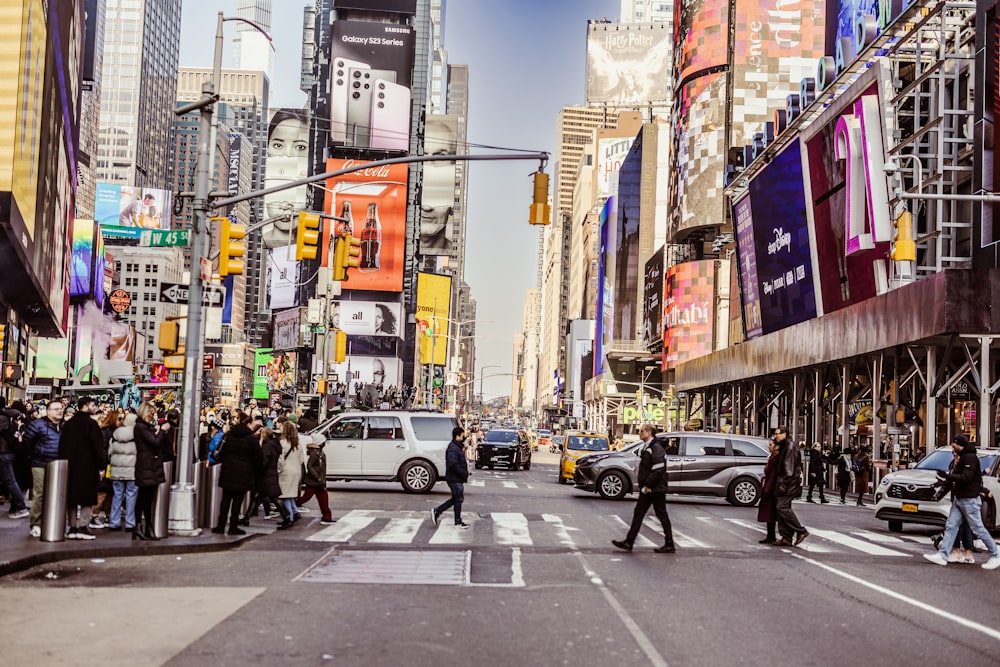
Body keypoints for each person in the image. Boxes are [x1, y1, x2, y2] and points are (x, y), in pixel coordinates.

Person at [924, 435, 1000, 569]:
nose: (953, 449)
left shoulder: (969, 458)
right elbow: (953, 480)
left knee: (977, 528)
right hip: (960, 498)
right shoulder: (963, 458)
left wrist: (947, 476)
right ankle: (943, 555)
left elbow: (967, 477)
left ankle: (996, 554)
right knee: (951, 526)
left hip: (969, 499)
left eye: (954, 446)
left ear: (960, 445)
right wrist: (938, 493)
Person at [612, 424, 675, 553]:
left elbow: (658, 468)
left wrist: (648, 485)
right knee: (640, 513)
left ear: (649, 433)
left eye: (641, 431)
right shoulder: (650, 446)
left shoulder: (656, 447)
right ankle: (629, 542)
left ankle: (669, 544)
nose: (639, 433)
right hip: (649, 487)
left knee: (660, 514)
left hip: (654, 488)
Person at [58, 397, 107, 540]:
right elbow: (98, 448)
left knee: (71, 498)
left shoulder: (68, 424)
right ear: (86, 406)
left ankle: (72, 527)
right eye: (93, 405)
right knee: (87, 498)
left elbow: (62, 446)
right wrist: (101, 466)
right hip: (88, 466)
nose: (94, 407)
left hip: (70, 466)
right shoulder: (92, 425)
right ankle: (83, 526)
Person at [213, 412, 262, 536]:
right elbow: (258, 458)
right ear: (249, 423)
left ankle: (220, 525)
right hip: (243, 473)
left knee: (225, 500)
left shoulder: (229, 435)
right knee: (237, 501)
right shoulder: (251, 439)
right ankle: (233, 526)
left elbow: (221, 453)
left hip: (228, 470)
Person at [24, 401, 63, 537]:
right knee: (39, 494)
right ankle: (36, 523)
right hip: (40, 463)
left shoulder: (62, 426)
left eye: (61, 408)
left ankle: (48, 522)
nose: (60, 411)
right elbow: (27, 441)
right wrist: (35, 454)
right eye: (56, 409)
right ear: (48, 411)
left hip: (57, 464)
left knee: (54, 494)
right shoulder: (38, 425)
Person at [241, 427, 288, 528]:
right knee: (259, 498)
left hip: (266, 476)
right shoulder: (274, 445)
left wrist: (258, 470)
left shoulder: (267, 447)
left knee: (270, 497)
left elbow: (264, 461)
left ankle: (286, 518)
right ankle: (246, 518)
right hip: (270, 474)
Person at [134, 402, 166, 541]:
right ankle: (141, 527)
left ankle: (145, 527)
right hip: (147, 466)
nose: (153, 416)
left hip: (150, 466)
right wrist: (163, 431)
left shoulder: (145, 427)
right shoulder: (141, 428)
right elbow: (155, 442)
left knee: (147, 498)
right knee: (143, 498)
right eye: (151, 414)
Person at [772, 427, 808, 547]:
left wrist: (784, 484)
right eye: (775, 434)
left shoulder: (790, 447)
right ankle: (786, 537)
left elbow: (789, 469)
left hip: (788, 484)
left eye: (778, 434)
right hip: (786, 483)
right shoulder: (785, 446)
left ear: (785, 434)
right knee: (782, 509)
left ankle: (800, 530)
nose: (776, 436)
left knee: (781, 507)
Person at [431, 427, 470, 527]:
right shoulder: (453, 448)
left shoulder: (456, 447)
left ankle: (438, 511)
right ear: (458, 436)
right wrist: (462, 473)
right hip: (455, 478)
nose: (464, 437)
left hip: (455, 477)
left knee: (456, 498)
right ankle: (456, 520)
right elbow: (452, 464)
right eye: (462, 435)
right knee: (458, 498)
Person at [107, 413, 138, 532]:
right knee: (131, 496)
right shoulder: (136, 435)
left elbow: (110, 453)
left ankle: (114, 522)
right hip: (132, 470)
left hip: (117, 470)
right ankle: (130, 523)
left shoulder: (116, 434)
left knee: (117, 495)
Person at [296, 433, 335, 525]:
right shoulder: (316, 453)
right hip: (315, 481)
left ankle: (327, 516)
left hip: (318, 481)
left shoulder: (318, 452)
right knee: (309, 497)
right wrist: (317, 477)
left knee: (321, 498)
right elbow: (310, 466)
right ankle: (291, 506)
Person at [0, 397, 28, 519]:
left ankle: (21, 506)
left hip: (3, 452)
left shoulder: (2, 418)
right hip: (9, 451)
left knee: (10, 480)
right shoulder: (11, 415)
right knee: (10, 480)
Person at [277, 421, 306, 525]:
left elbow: (280, 460)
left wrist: (278, 470)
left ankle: (290, 516)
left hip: (286, 471)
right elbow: (302, 459)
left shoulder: (282, 443)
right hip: (296, 470)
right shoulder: (298, 443)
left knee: (284, 495)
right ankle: (295, 512)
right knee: (290, 494)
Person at [756, 438, 781, 544]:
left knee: (774, 512)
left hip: (773, 487)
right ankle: (770, 536)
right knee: (769, 513)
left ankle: (779, 536)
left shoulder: (777, 457)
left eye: (771, 445)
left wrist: (767, 489)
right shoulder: (772, 456)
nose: (769, 447)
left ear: (777, 446)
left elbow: (773, 474)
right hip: (770, 486)